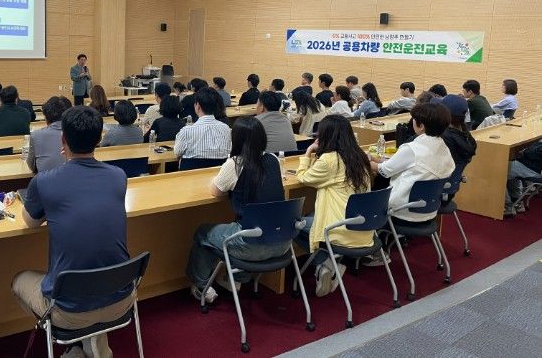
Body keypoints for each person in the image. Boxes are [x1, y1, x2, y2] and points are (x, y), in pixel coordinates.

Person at [12, 106, 132, 358]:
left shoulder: (44, 181)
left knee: (18, 280)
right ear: (99, 139)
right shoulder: (118, 177)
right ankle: (91, 339)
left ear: (63, 139)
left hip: (68, 310)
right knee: (90, 277)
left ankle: (74, 342)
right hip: (122, 298)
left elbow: (30, 222)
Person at [186, 117, 287, 302]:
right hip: (282, 241)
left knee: (203, 232)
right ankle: (236, 279)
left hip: (251, 246)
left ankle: (202, 285)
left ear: (236, 139)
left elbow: (216, 191)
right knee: (247, 224)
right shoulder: (273, 160)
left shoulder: (235, 164)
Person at [294, 115, 373, 296]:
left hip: (340, 229)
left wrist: (308, 152)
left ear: (326, 136)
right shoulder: (359, 155)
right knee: (311, 214)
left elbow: (303, 177)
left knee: (294, 224)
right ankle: (328, 263)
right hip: (364, 227)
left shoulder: (329, 160)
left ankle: (324, 262)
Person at [369, 103, 455, 224]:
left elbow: (385, 170)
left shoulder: (412, 148)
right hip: (429, 209)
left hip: (401, 211)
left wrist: (364, 160)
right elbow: (402, 163)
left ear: (421, 126)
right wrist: (375, 159)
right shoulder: (443, 147)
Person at [174, 87, 231, 160]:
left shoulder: (186, 132)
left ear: (197, 106)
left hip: (192, 167)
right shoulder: (226, 129)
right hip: (219, 167)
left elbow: (177, 152)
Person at [27, 96, 72, 173]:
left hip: (46, 179)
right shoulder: (78, 133)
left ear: (46, 117)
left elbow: (32, 166)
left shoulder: (36, 135)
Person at [505, 141, 541, 216]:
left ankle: (507, 206)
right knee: (513, 170)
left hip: (533, 169)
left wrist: (525, 151)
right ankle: (517, 201)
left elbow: (533, 154)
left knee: (498, 169)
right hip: (534, 167)